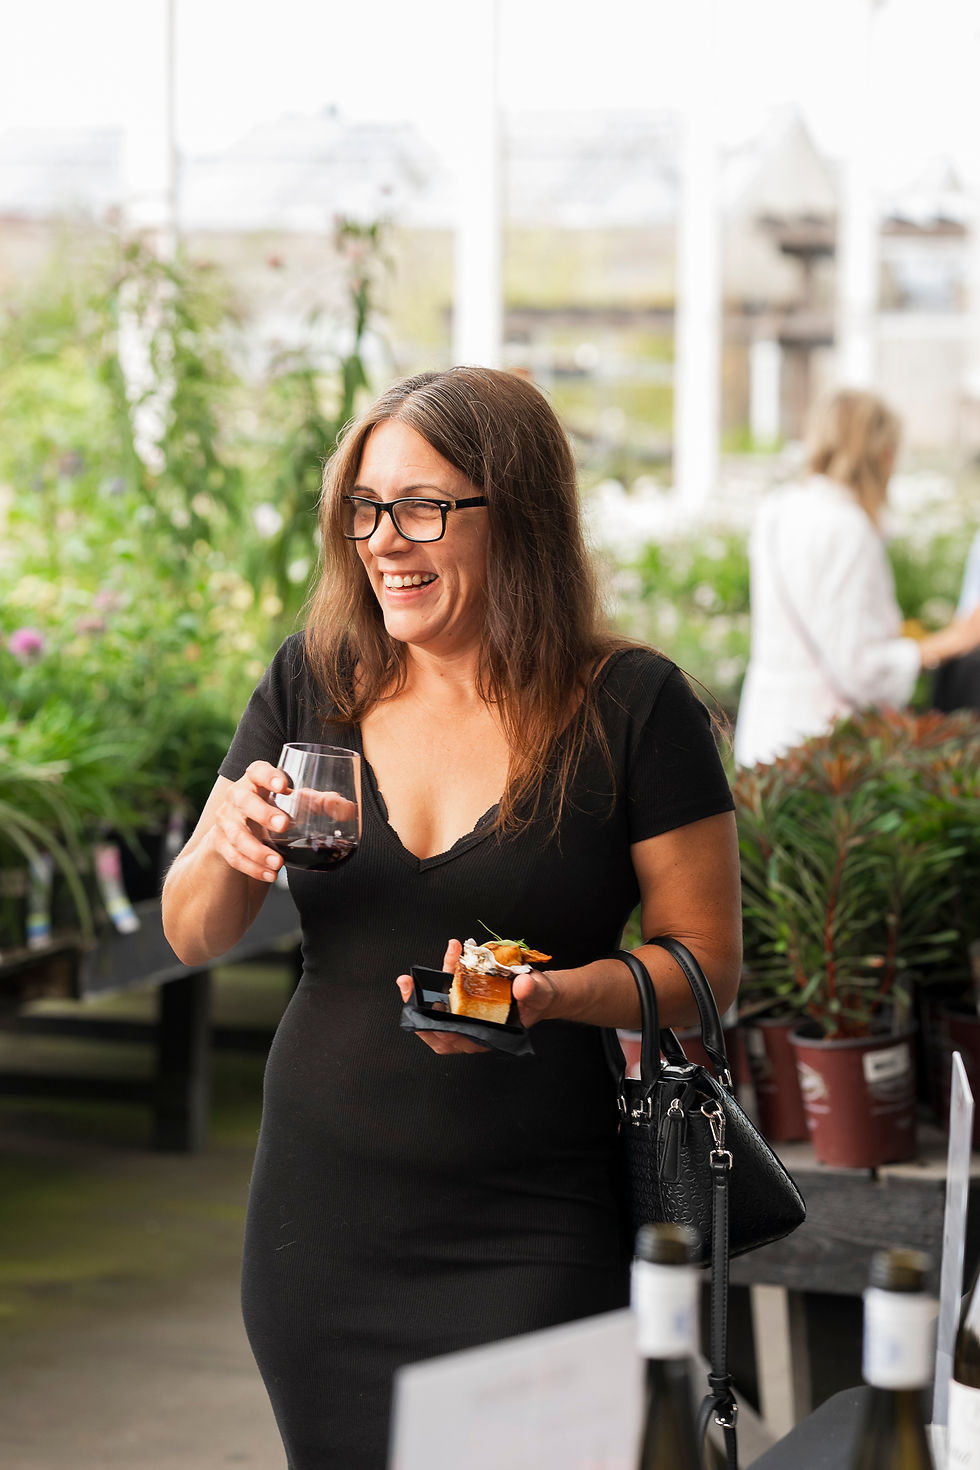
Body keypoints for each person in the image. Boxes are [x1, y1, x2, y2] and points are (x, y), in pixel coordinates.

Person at [161, 366, 742, 1470]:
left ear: (514, 517)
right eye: (364, 508)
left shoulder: (631, 705)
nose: (383, 539)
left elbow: (709, 965)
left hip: (530, 1222)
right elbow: (193, 933)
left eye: (422, 507)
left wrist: (564, 994)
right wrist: (224, 840)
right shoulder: (314, 682)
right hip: (317, 1228)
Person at [734, 387, 980, 767]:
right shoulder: (847, 527)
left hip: (766, 730)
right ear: (879, 452)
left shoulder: (779, 508)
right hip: (824, 747)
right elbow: (858, 669)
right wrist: (943, 644)